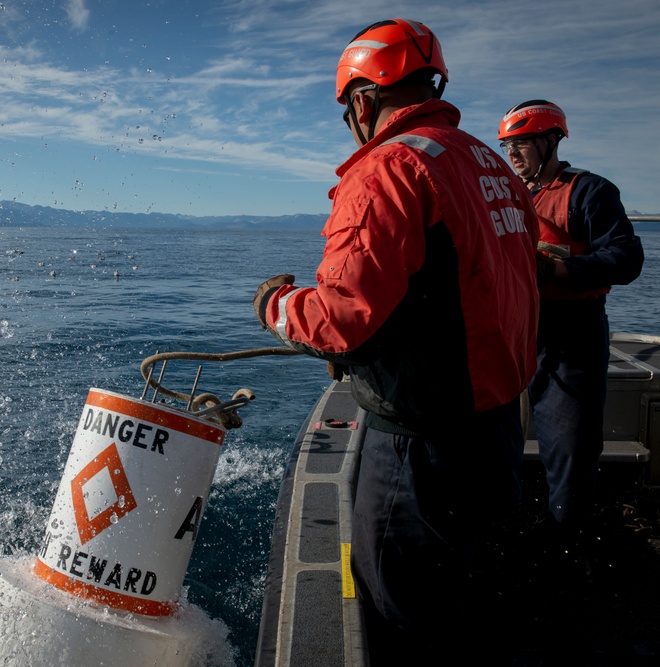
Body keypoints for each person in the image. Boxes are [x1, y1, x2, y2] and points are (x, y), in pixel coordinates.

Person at [253, 18, 540, 664]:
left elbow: (338, 318)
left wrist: (274, 305)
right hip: (496, 434)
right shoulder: (489, 165)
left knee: (402, 620)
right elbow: (485, 290)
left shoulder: (391, 169)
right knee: (466, 598)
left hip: (423, 454)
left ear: (362, 101)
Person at [497, 101, 644, 543]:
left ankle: (569, 538)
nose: (513, 154)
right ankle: (504, 525)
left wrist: (560, 270)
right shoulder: (507, 193)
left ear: (551, 141)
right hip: (516, 326)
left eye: (521, 143)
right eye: (507, 145)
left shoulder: (588, 192)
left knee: (569, 442)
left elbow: (626, 258)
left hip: (572, 331)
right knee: (497, 432)